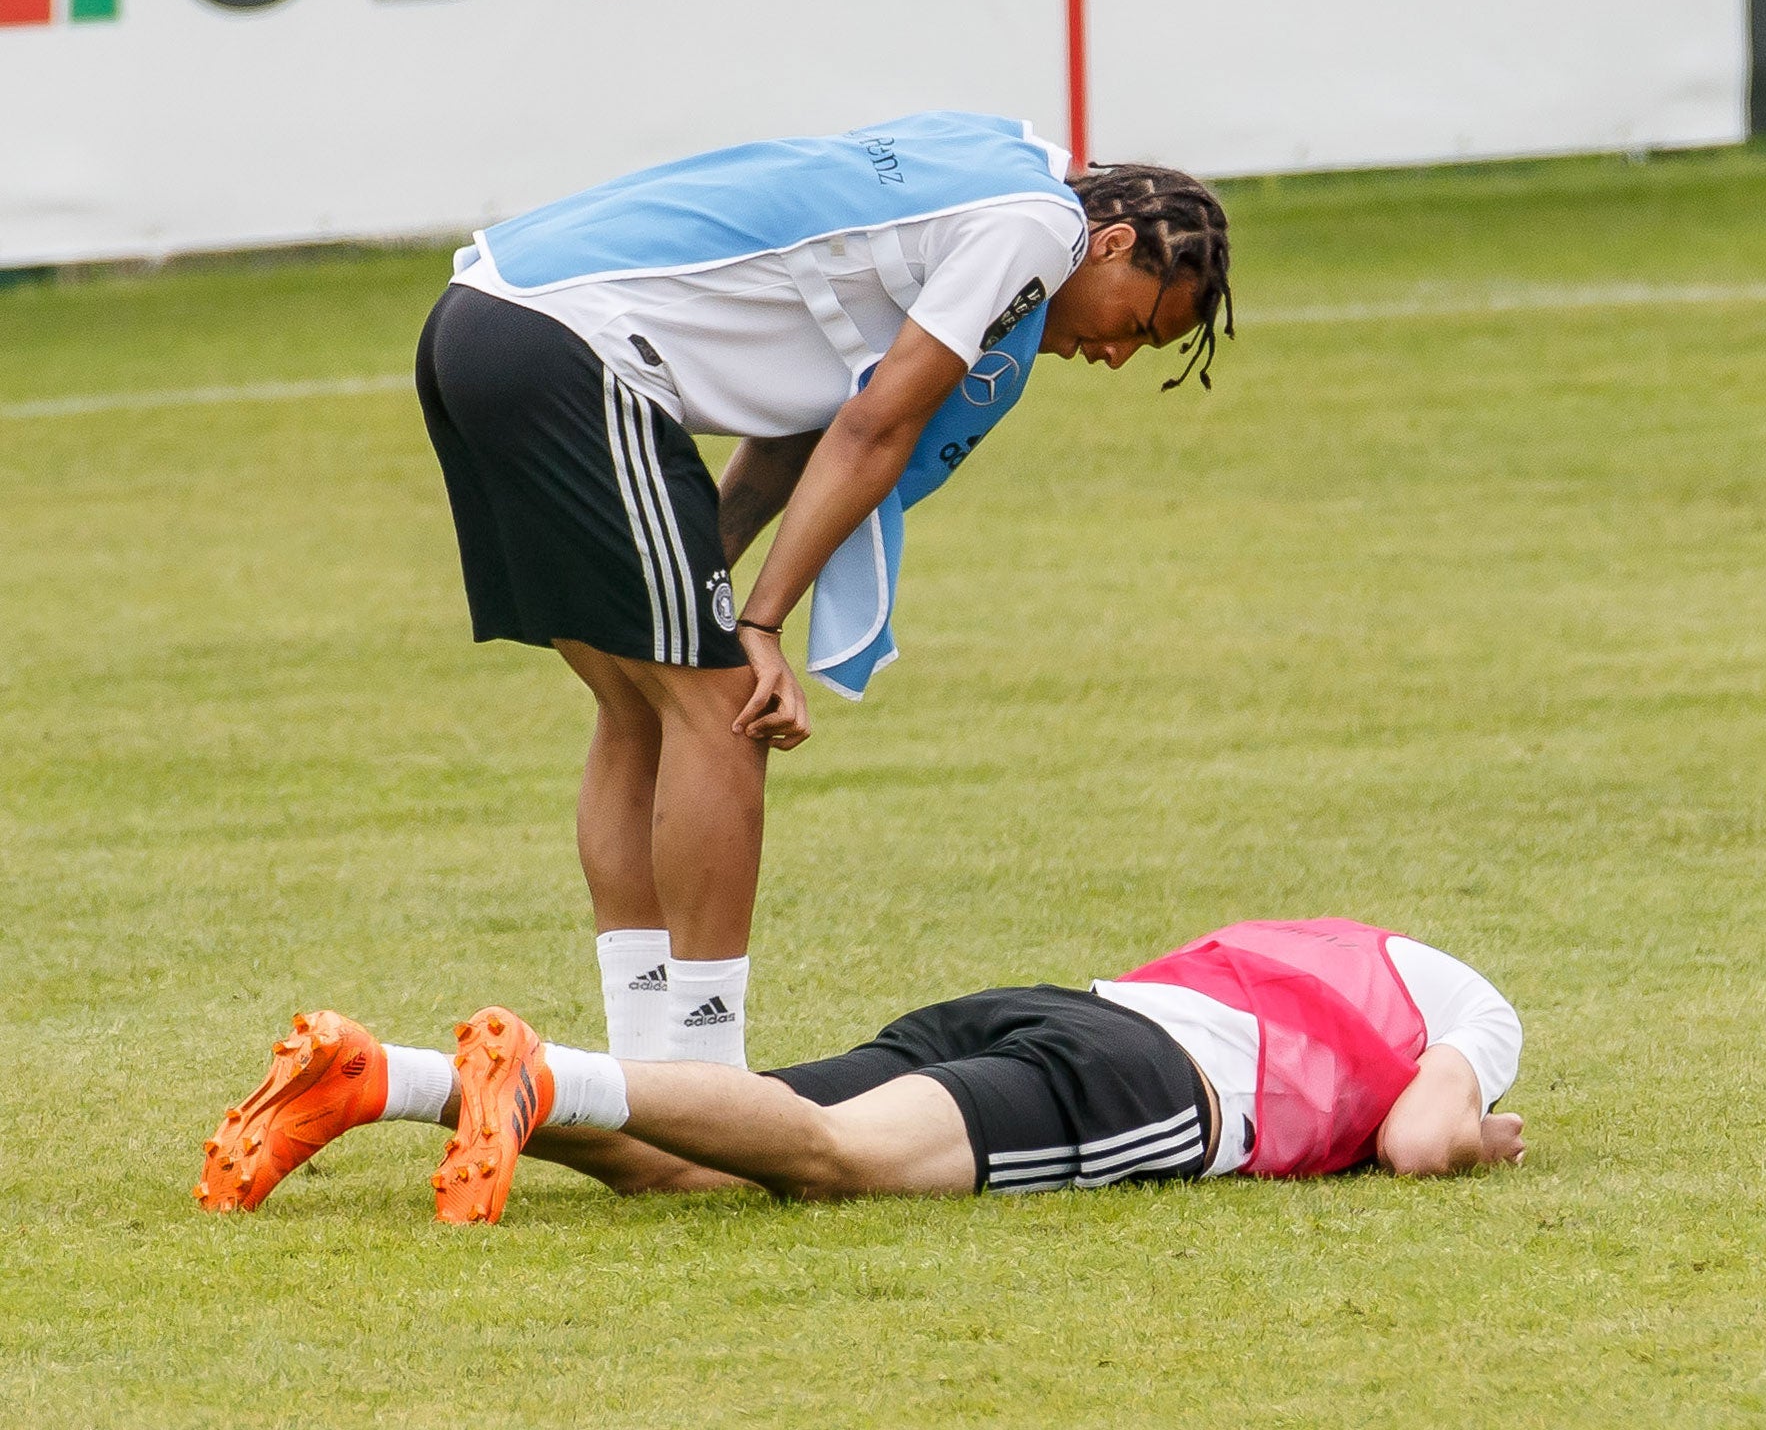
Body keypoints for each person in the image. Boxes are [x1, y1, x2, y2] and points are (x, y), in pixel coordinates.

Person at [412, 111, 1234, 1070]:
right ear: (1115, 243)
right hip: (571, 347)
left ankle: (642, 1072)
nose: (1115, 356)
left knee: (642, 706)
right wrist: (755, 625)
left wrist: (713, 584)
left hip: (477, 324)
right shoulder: (1037, 226)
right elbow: (873, 431)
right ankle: (706, 1080)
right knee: (728, 710)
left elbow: (808, 422)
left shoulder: (989, 161)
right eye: (1136, 323)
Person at [194, 918, 1524, 1223]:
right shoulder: (1472, 1001)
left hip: (1035, 1003)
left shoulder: (1326, 944)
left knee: (689, 1163)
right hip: (1148, 1083)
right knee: (842, 1168)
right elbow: (1417, 1140)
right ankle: (535, 1076)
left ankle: (390, 1079)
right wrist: (1487, 1132)